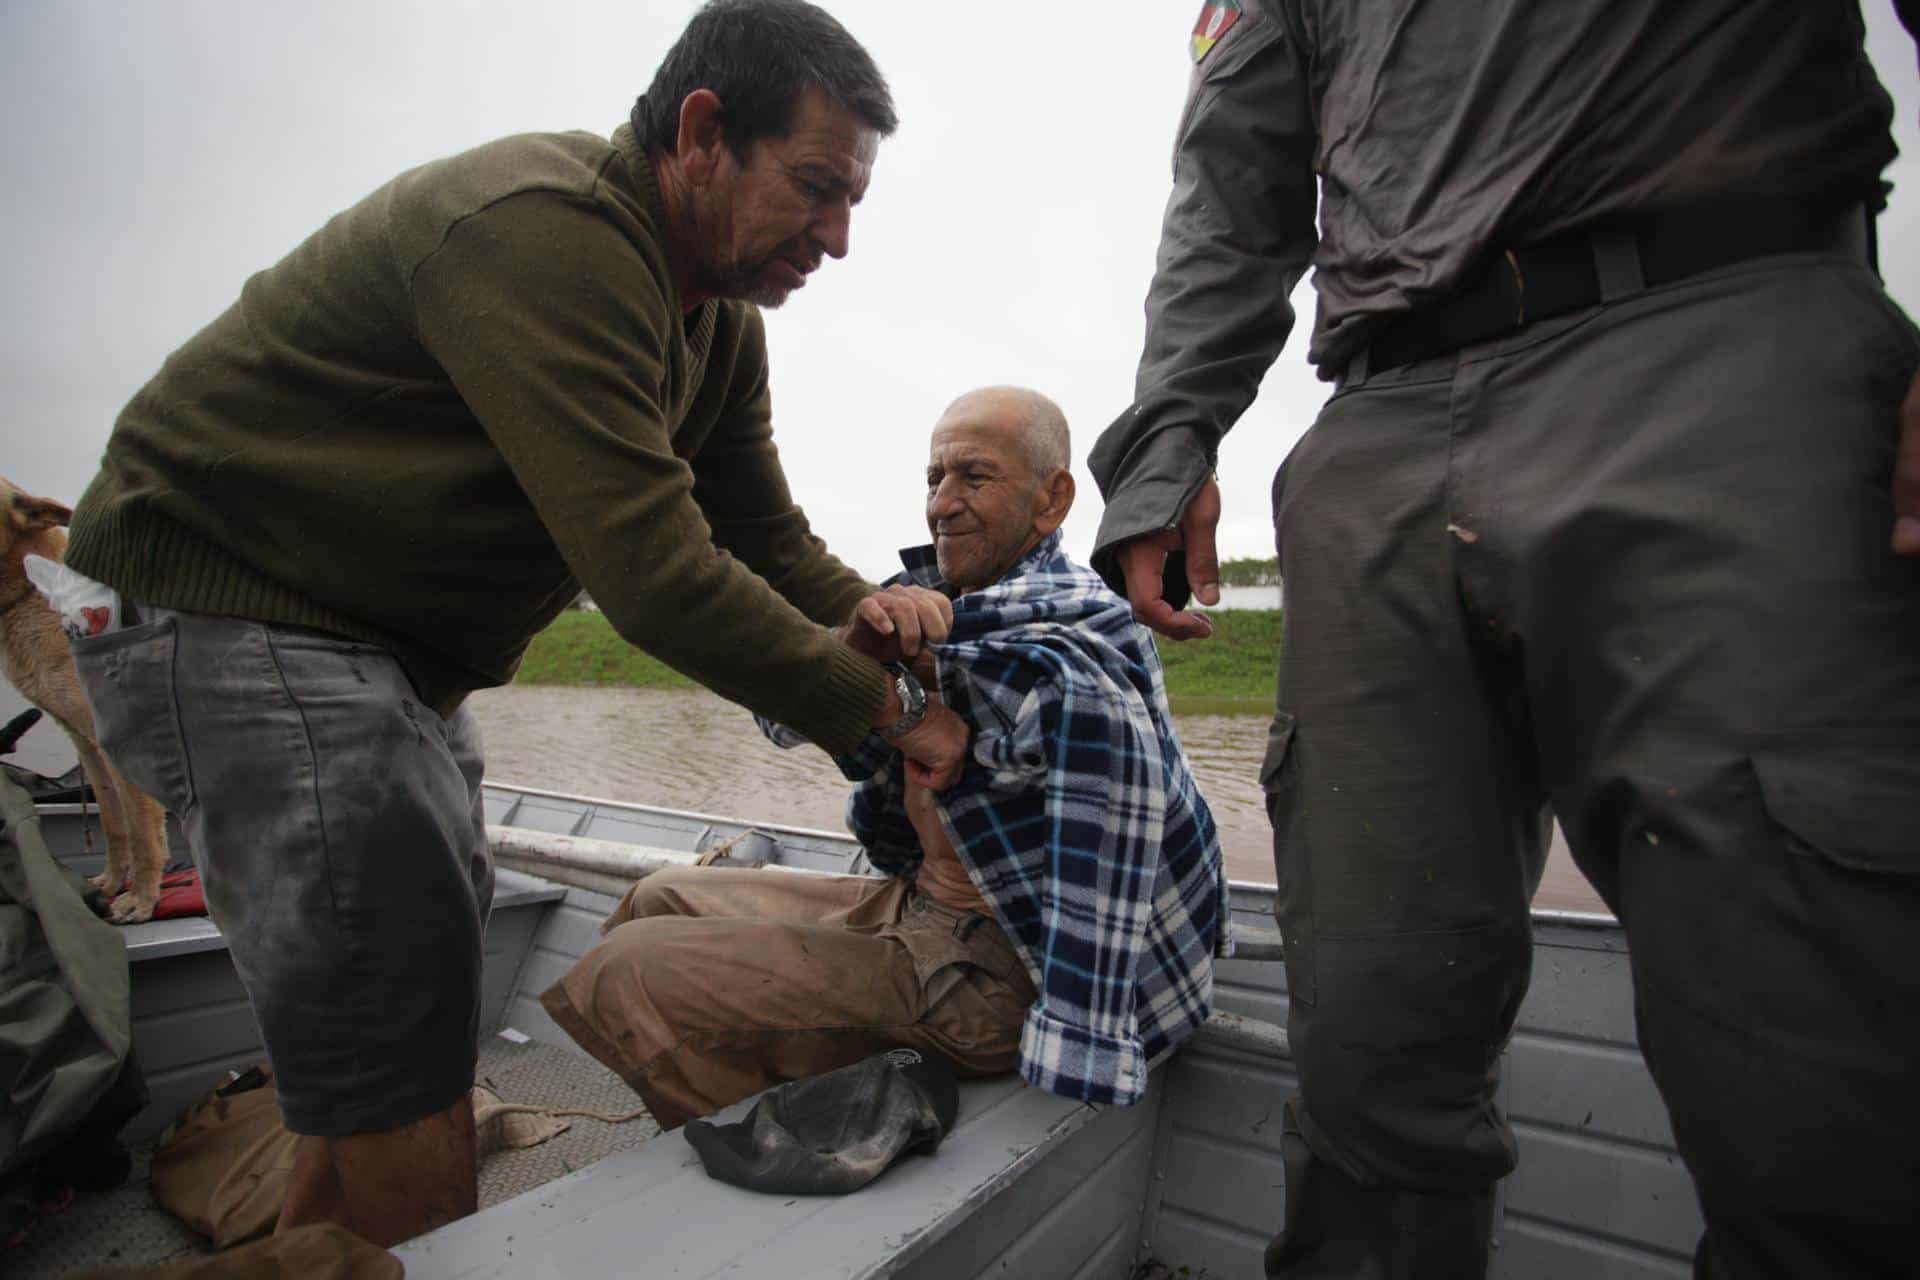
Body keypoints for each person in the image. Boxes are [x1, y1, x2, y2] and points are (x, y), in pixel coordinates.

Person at [59, 0, 972, 1248]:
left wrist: (889, 617)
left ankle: (329, 1235)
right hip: (234, 607)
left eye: (853, 200)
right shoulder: (552, 236)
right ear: (703, 133)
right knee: (399, 1027)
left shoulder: (718, 324)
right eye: (816, 188)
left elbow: (765, 537)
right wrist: (891, 719)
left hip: (380, 651)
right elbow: (653, 570)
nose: (840, 237)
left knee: (401, 998)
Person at [1090, 3, 1920, 1276]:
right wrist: (1171, 433)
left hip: (1729, 342)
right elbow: (1231, 178)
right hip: (1381, 423)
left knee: (1822, 1101)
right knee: (1366, 1060)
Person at [542, 386, 1232, 1126]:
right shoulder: (929, 605)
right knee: (658, 896)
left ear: (1052, 499)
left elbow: (1065, 735)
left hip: (1008, 965)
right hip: (922, 908)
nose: (942, 504)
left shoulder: (1075, 631)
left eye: (974, 476)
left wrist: (897, 699)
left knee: (629, 973)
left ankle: (781, 1140)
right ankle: (770, 1083)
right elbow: (788, 717)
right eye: (934, 479)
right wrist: (862, 663)